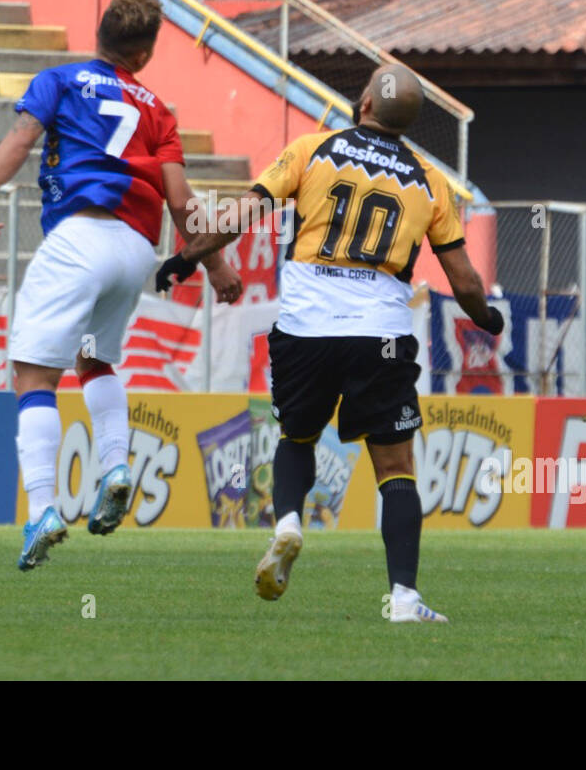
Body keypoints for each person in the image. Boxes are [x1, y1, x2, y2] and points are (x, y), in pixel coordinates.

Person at [157, 64, 503, 623]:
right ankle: (404, 600)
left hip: (306, 327)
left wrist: (188, 256)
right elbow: (463, 280)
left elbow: (245, 212)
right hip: (381, 337)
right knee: (395, 468)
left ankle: (290, 522)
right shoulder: (431, 182)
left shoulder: (313, 150)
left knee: (296, 436)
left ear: (364, 102)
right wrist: (486, 318)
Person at [0, 0, 242, 571]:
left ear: (99, 35)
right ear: (142, 55)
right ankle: (116, 467)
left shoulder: (60, 81)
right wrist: (215, 265)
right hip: (136, 250)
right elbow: (182, 201)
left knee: (33, 375)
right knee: (93, 359)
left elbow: (21, 141)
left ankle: (42, 508)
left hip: (79, 238)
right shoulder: (158, 111)